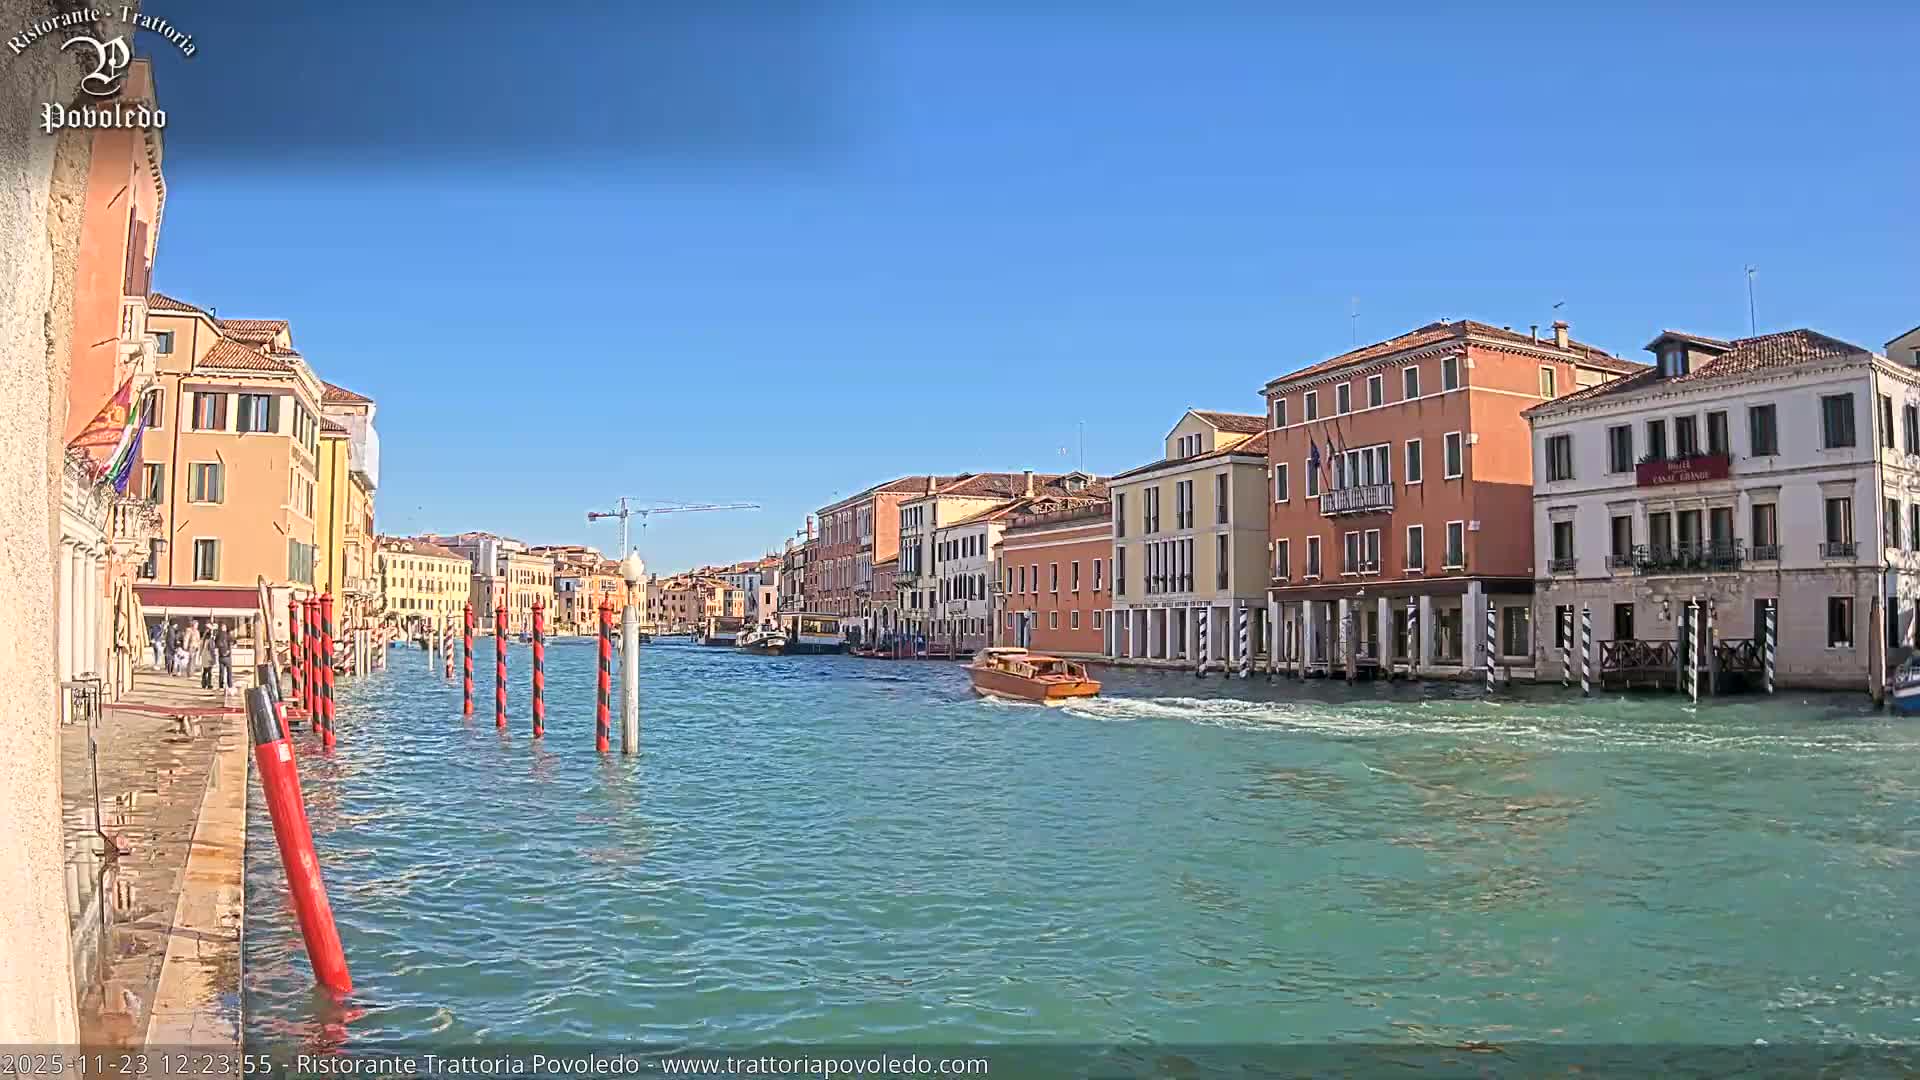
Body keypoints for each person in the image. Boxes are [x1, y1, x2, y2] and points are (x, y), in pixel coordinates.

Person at [214, 624, 234, 690]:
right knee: (229, 672)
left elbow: (215, 644)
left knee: (221, 672)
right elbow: (232, 643)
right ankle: (230, 685)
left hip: (221, 656)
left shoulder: (218, 635)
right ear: (225, 628)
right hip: (227, 656)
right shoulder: (228, 635)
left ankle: (221, 685)